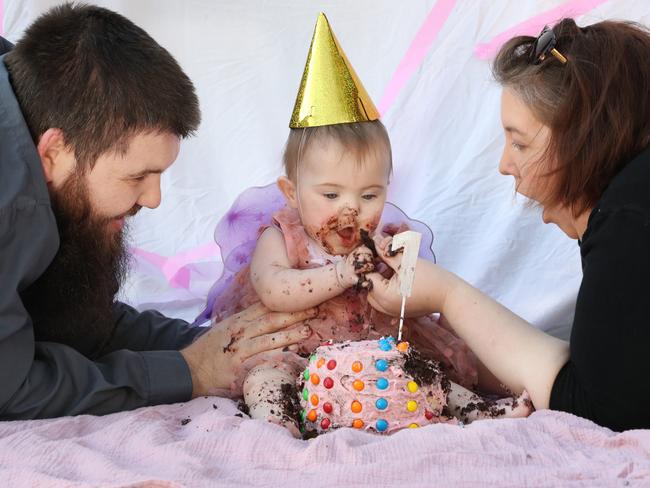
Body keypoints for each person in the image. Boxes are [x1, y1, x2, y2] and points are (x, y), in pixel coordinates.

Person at [196, 13, 531, 437]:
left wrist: (399, 272)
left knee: (425, 374)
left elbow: (416, 301)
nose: (351, 209)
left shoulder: (379, 241)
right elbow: (273, 289)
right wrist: (339, 273)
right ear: (292, 192)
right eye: (331, 195)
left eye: (369, 195)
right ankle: (278, 431)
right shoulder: (282, 236)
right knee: (265, 379)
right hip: (298, 356)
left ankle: (475, 411)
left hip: (375, 357)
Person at [0, 3, 314, 420]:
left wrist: (213, 341)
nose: (153, 199)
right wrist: (191, 371)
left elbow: (67, 319)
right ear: (55, 151)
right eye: (137, 177)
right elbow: (10, 386)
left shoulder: (29, 102)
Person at [367, 18, 650, 432]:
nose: (504, 166)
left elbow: (598, 407)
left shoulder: (628, 216)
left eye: (520, 143)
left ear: (587, 136)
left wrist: (448, 295)